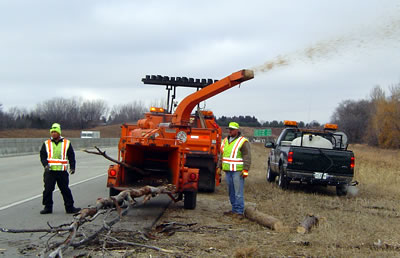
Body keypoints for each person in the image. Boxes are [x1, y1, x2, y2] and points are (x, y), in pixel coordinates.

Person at [39, 123, 81, 214]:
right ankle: (48, 207)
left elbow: (71, 156)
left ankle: (70, 207)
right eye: (52, 132)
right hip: (50, 171)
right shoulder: (46, 143)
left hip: (62, 171)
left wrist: (72, 167)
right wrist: (45, 165)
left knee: (65, 189)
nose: (53, 133)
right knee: (48, 190)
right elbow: (43, 155)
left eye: (55, 132)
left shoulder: (67, 143)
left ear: (59, 132)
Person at [217, 122, 251, 219]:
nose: (230, 131)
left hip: (237, 171)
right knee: (231, 192)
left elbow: (247, 156)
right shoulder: (225, 141)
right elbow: (221, 155)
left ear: (237, 130)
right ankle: (234, 210)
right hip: (228, 171)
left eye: (232, 129)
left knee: (238, 192)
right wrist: (219, 167)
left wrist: (245, 169)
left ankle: (239, 212)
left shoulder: (243, 141)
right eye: (229, 129)